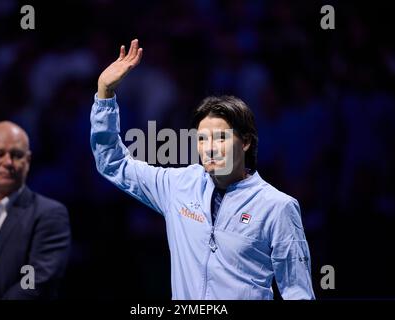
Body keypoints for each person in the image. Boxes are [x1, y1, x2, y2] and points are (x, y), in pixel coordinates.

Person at [90, 39, 315, 299]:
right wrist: (105, 94)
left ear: (246, 141)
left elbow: (298, 293)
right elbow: (113, 163)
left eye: (220, 138)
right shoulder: (178, 185)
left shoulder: (277, 207)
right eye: (202, 139)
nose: (209, 148)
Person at [0, 121, 71, 300]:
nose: (7, 162)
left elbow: (33, 283)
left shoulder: (48, 216)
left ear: (28, 161)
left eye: (16, 155)